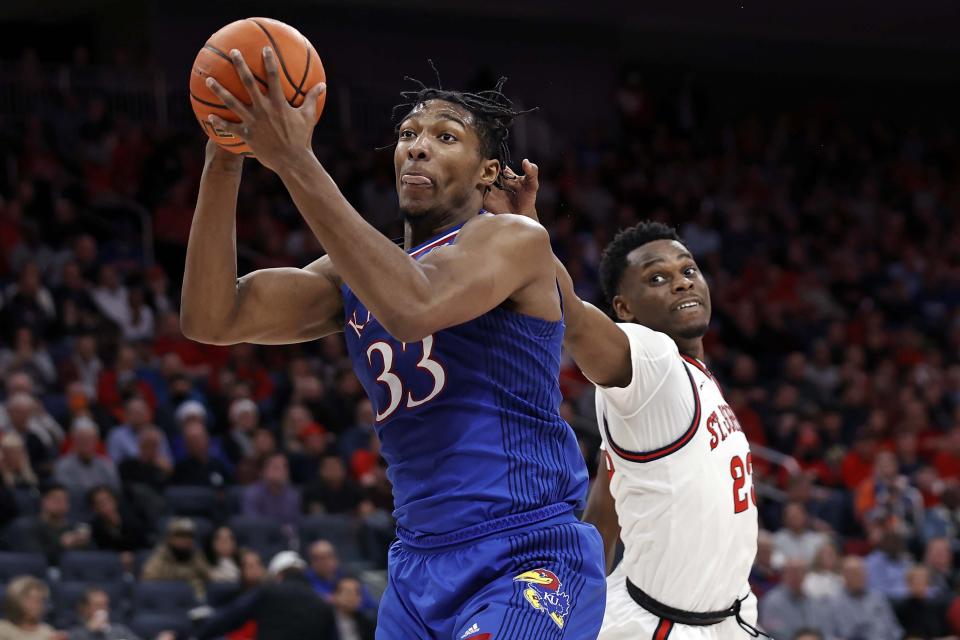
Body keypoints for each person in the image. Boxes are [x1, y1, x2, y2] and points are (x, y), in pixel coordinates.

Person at [183, 51, 604, 638]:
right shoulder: (359, 273)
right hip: (417, 567)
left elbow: (414, 308)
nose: (418, 145)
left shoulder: (513, 238)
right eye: (408, 133)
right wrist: (224, 157)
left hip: (524, 552)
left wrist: (294, 159)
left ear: (487, 172)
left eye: (444, 135)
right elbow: (212, 316)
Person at [526, 217, 763, 637]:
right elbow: (575, 320)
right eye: (658, 277)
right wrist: (526, 231)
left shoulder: (688, 380)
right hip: (663, 626)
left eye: (688, 270)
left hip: (730, 617)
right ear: (624, 309)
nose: (682, 283)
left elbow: (602, 516)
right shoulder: (655, 363)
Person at [197, 551, 338, 640]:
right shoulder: (322, 604)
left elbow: (230, 617)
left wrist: (200, 634)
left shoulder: (268, 593)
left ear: (278, 576)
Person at [820, 556, 902, 640]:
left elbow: (895, 631)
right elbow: (827, 635)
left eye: (861, 572)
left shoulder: (879, 599)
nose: (859, 576)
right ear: (844, 576)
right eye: (854, 574)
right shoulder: (832, 603)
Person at [67, 587, 176, 640]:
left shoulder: (118, 629)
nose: (104, 610)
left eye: (105, 605)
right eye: (98, 605)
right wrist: (89, 630)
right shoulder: (73, 629)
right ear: (84, 608)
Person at [141, 517, 210, 599]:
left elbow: (210, 580)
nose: (186, 540)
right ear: (170, 538)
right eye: (181, 536)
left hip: (195, 603)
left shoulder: (197, 557)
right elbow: (147, 585)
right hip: (168, 602)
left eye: (189, 536)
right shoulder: (159, 558)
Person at [305, 540, 378, 615]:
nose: (323, 562)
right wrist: (336, 601)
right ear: (311, 561)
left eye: (327, 557)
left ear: (335, 558)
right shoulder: (305, 580)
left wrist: (352, 602)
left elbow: (371, 606)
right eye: (316, 559)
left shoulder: (349, 576)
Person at [52, 418, 119, 495]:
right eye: (81, 439)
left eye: (89, 439)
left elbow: (115, 492)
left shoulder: (107, 465)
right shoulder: (62, 466)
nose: (85, 443)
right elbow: (65, 495)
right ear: (73, 441)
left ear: (96, 441)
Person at [757, 558, 821, 640]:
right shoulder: (771, 602)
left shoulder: (813, 600)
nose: (797, 575)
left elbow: (821, 629)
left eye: (801, 571)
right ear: (784, 574)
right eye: (793, 571)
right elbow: (772, 633)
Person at [241, 453, 300, 528]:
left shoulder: (292, 495)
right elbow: (252, 524)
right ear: (264, 471)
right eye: (276, 468)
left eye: (285, 467)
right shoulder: (252, 493)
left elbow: (296, 524)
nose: (282, 472)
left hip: (286, 537)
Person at [893, 565, 950, 639]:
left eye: (922, 580)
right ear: (909, 583)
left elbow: (942, 631)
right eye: (916, 580)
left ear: (928, 583)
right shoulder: (901, 608)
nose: (919, 583)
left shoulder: (936, 607)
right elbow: (901, 634)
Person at [332, 575, 376, 640]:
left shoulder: (367, 622)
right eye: (348, 592)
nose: (353, 597)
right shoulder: (325, 621)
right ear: (336, 595)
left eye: (357, 593)